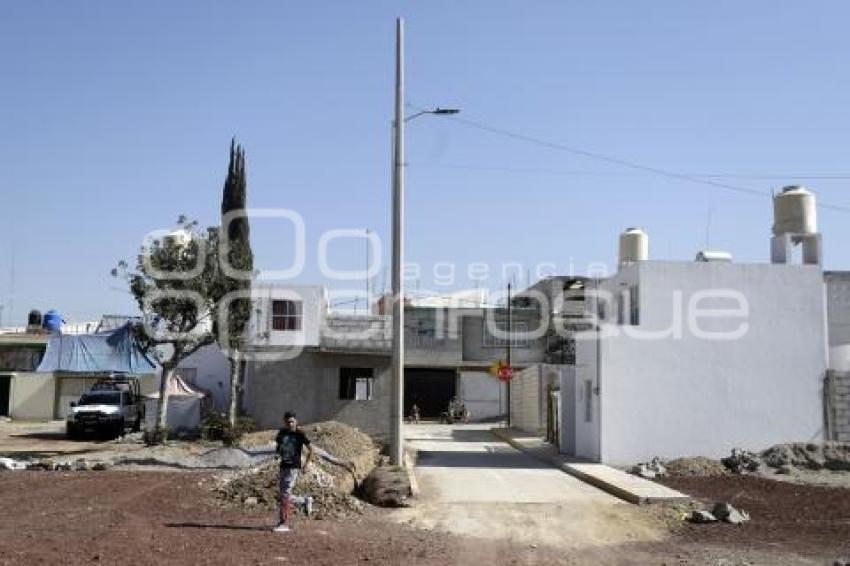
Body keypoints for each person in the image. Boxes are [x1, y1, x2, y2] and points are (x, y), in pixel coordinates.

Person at [273, 411, 314, 533]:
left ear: (296, 421)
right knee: (282, 495)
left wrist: (306, 464)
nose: (290, 424)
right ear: (285, 422)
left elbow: (311, 450)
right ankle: (304, 501)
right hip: (283, 466)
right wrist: (277, 455)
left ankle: (283, 523)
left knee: (285, 494)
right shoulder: (281, 434)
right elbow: (279, 449)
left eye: (292, 421)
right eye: (288, 422)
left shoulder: (300, 434)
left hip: (294, 467)